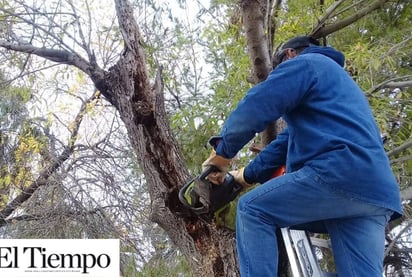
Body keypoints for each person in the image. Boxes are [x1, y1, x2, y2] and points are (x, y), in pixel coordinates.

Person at [202, 35, 403, 277]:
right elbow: (286, 144)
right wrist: (243, 176)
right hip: (375, 194)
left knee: (252, 210)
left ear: (289, 54)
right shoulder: (340, 87)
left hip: (339, 173)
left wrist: (221, 154)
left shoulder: (306, 64)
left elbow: (257, 105)